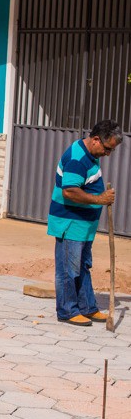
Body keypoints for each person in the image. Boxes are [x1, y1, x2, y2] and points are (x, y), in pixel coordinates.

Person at [48, 120, 122, 326]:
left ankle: (87, 307)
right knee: (67, 270)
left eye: (112, 150)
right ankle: (67, 311)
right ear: (96, 140)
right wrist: (100, 199)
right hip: (70, 222)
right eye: (107, 149)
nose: (108, 154)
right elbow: (69, 191)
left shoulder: (91, 154)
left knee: (82, 266)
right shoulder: (77, 158)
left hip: (83, 224)